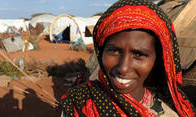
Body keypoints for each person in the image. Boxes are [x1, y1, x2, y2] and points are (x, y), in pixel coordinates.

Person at [61, 0, 196, 116]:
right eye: (114, 51)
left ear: (158, 59)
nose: (123, 68)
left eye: (139, 55)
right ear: (101, 51)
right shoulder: (78, 101)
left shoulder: (171, 111)